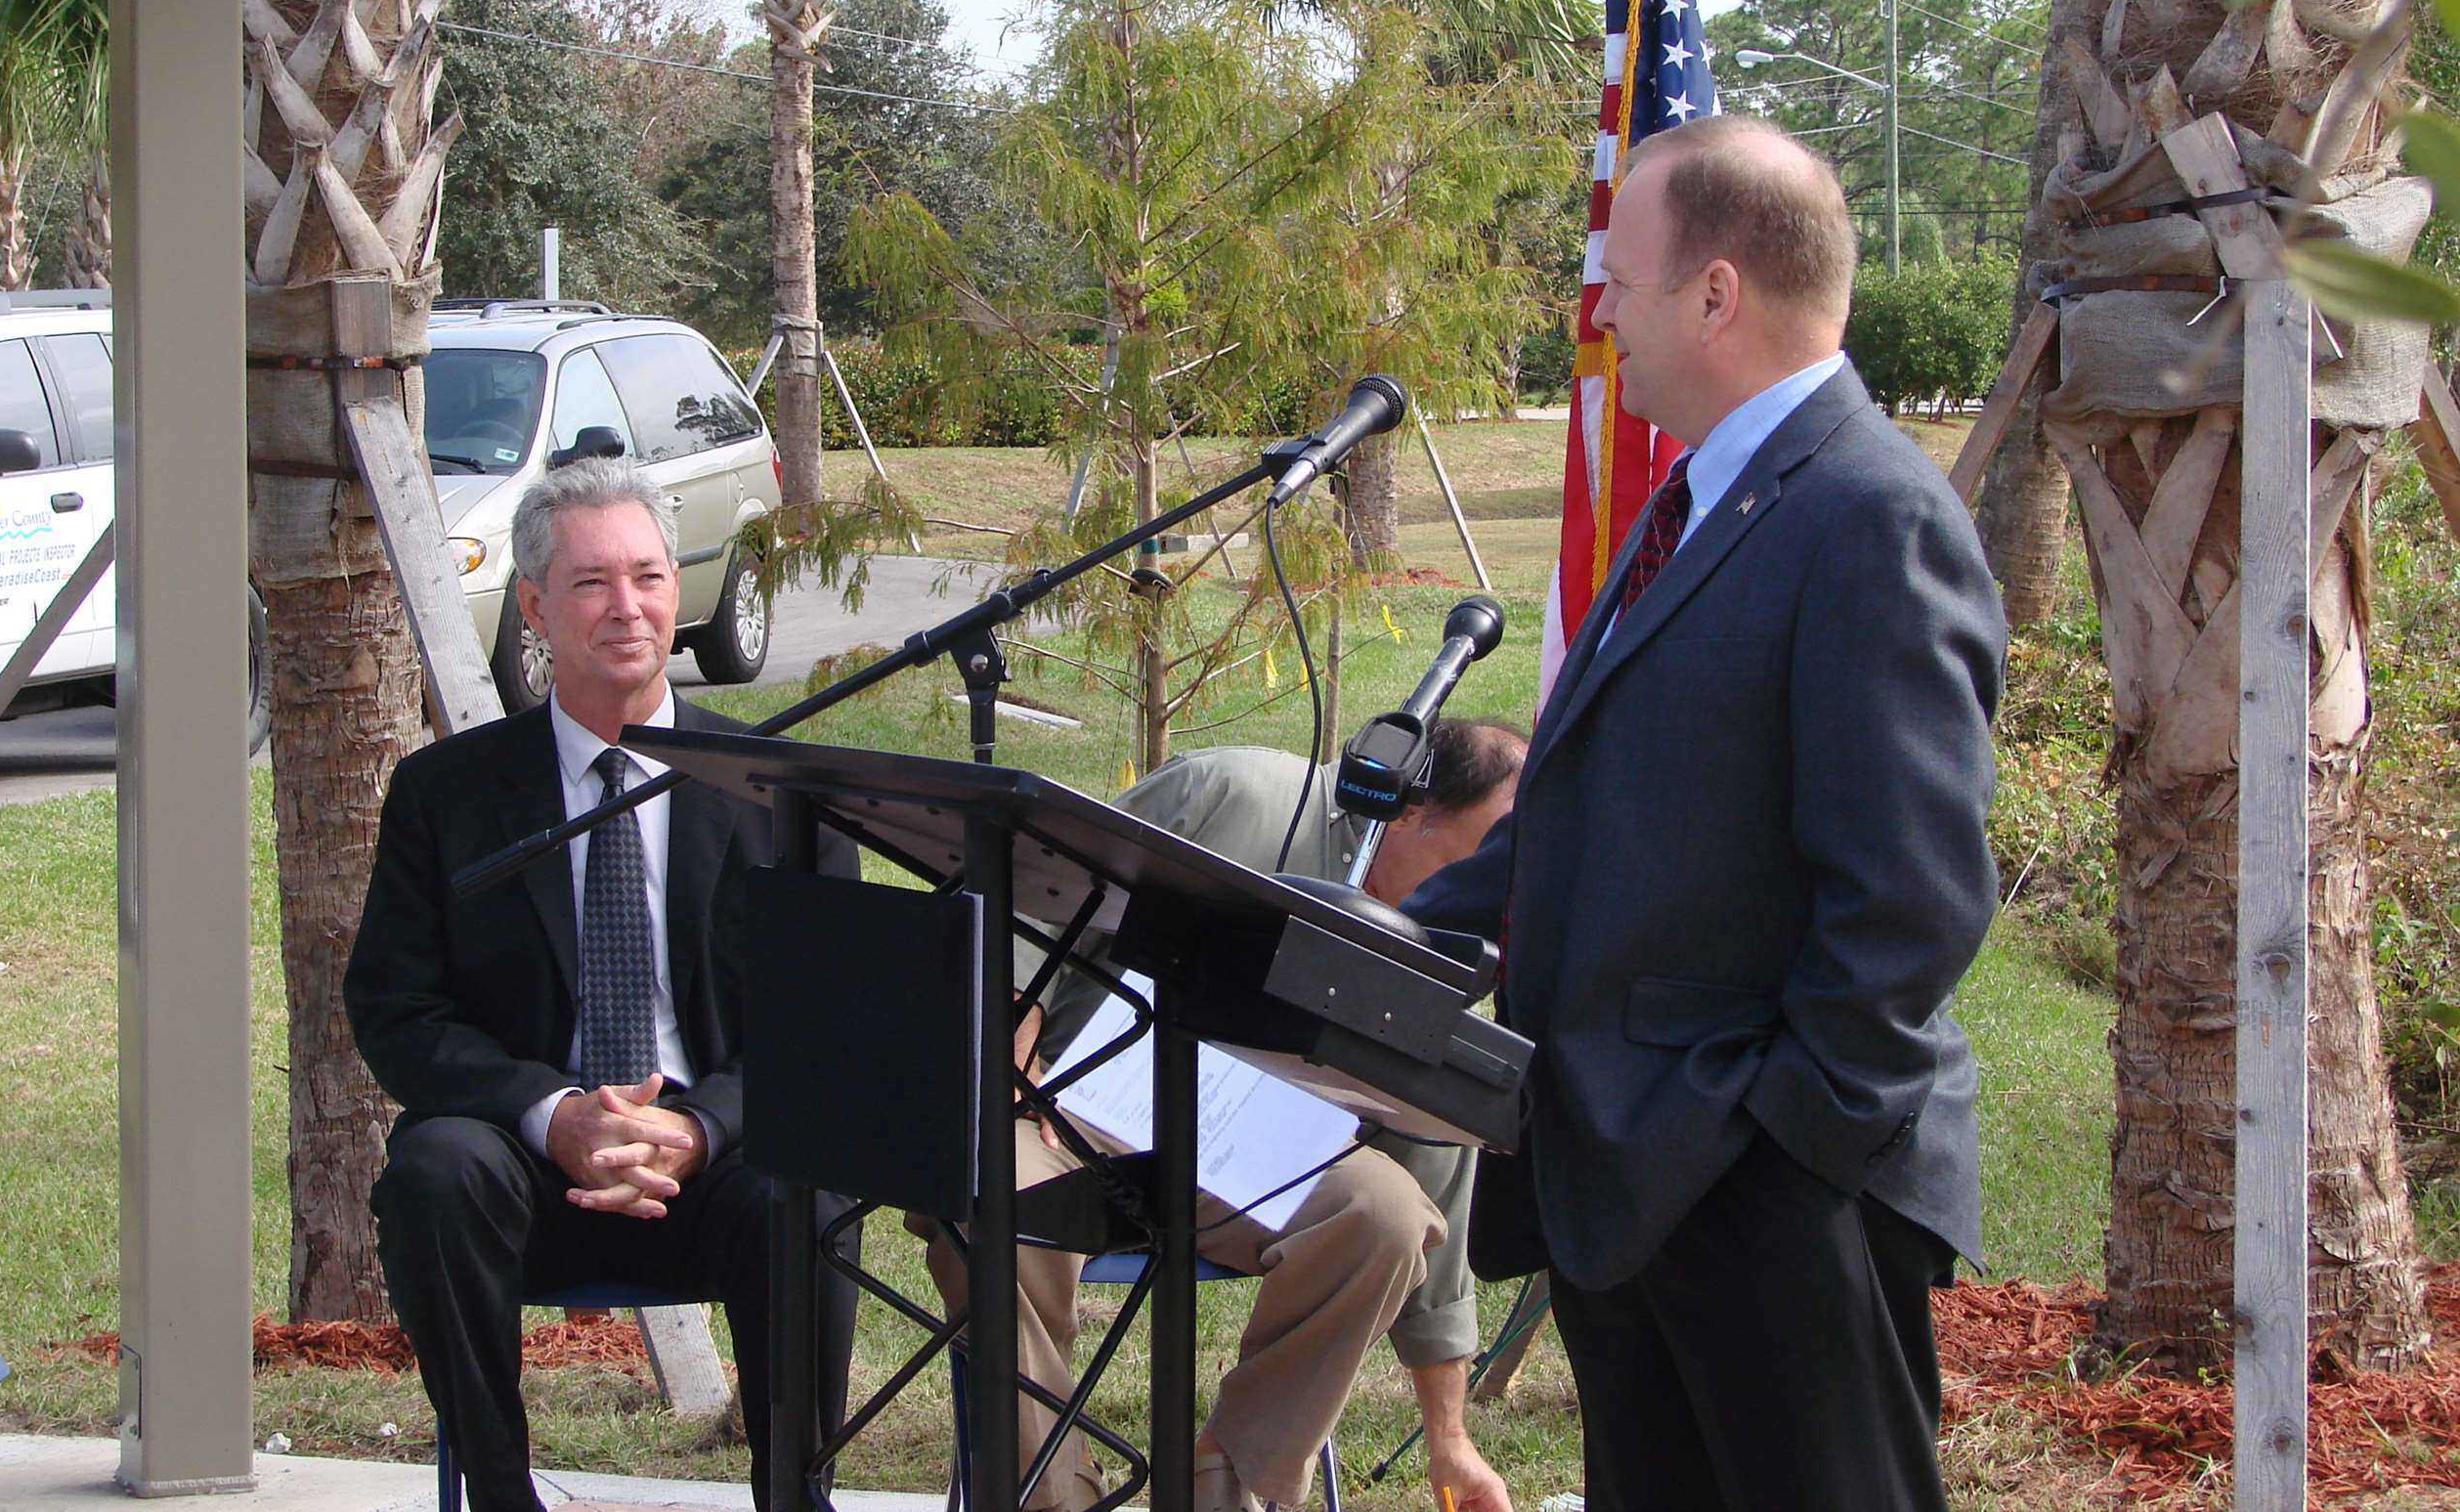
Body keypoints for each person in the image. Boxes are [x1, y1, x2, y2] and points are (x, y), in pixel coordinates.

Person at [1404, 117, 2005, 1512]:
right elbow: (1598, 801)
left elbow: (1909, 897)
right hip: (1627, 1173)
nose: (1601, 312)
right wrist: (1363, 932)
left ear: (1718, 291)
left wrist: (1785, 1140)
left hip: (1770, 1184)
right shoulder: (1699, 490)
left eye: (1620, 277)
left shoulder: (1870, 515)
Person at [345, 458, 859, 1512]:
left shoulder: (778, 792)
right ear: (532, 605)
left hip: (714, 1162)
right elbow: (396, 1010)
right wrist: (554, 1113)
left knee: (805, 1187)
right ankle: (499, 1491)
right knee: (432, 1171)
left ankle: (793, 1497)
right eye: (588, 584)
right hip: (523, 1164)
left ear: (680, 588)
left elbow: (827, 1028)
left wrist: (702, 1127)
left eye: (647, 576)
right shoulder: (446, 794)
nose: (626, 608)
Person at [920, 720, 1529, 1512]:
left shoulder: (1436, 944)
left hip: (1255, 1154)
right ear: (1413, 813)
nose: (1474, 904)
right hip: (1068, 1107)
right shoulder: (1236, 793)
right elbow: (1031, 894)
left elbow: (1436, 1167)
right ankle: (1050, 1493)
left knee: (1383, 1214)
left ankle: (1223, 1483)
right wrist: (1014, 1032)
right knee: (988, 1193)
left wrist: (1449, 1439)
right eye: (1469, 866)